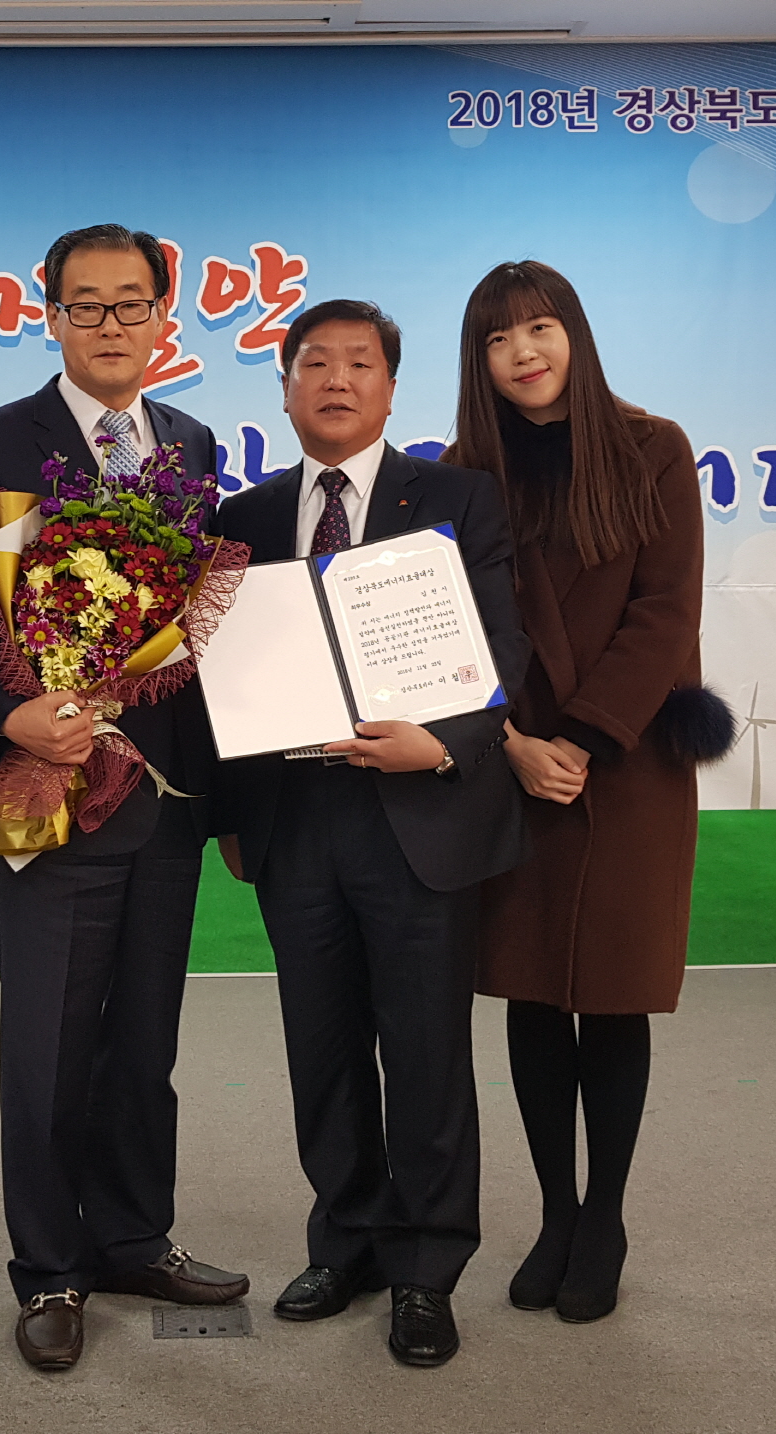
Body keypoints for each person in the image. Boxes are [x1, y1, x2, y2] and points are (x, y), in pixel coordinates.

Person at [0, 223, 247, 1373]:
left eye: (132, 304)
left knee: (143, 1040)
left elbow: (198, 629)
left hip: (162, 794)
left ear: (165, 316)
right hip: (47, 783)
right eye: (87, 305)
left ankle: (130, 1237)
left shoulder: (191, 444)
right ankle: (48, 1268)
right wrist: (0, 717)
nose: (111, 325)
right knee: (47, 1042)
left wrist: (224, 801)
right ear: (52, 316)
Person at [211, 299, 528, 1368]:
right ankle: (345, 1241)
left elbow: (503, 648)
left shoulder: (455, 499)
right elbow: (221, 678)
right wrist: (228, 819)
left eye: (359, 363)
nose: (337, 380)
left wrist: (442, 743)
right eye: (315, 363)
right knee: (324, 1049)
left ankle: (427, 1268)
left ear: (391, 388)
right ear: (285, 389)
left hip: (418, 817)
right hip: (294, 825)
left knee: (427, 1052)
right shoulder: (245, 518)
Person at [443, 260, 713, 1324]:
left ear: (574, 335)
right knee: (529, 989)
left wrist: (585, 737)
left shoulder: (653, 449)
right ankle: (555, 1211)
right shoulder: (463, 473)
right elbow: (453, 631)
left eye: (540, 328)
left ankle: (605, 1216)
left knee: (608, 991)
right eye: (497, 339)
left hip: (628, 759)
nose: (523, 353)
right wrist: (512, 740)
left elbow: (666, 612)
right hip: (514, 763)